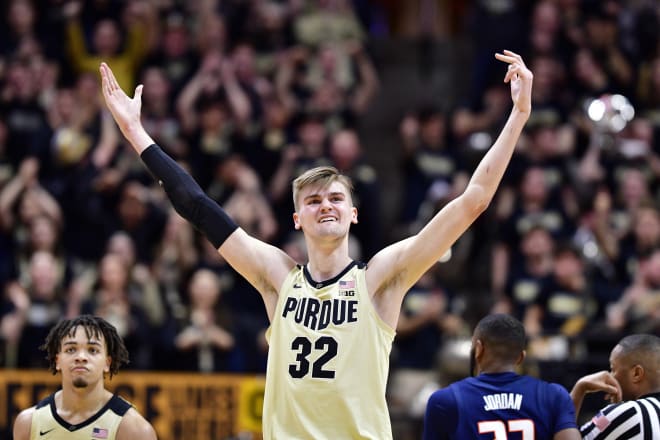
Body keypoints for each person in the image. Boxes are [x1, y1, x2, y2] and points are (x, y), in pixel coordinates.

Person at [99, 49, 533, 439]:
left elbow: (473, 201)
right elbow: (197, 206)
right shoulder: (276, 276)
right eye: (313, 201)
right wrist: (137, 134)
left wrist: (517, 116)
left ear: (353, 213)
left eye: (336, 198)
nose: (325, 205)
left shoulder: (381, 276)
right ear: (297, 218)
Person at [423, 313, 581, 439]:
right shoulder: (554, 395)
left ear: (478, 349)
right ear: (521, 357)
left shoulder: (444, 400)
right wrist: (579, 390)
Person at [12, 315, 157, 439]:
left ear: (107, 363)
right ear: (58, 361)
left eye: (92, 350)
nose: (81, 357)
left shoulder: (134, 430)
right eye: (71, 349)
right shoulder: (28, 423)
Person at [569, 334, 660, 440]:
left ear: (636, 373)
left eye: (613, 369)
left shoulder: (628, 412)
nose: (610, 376)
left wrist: (579, 389)